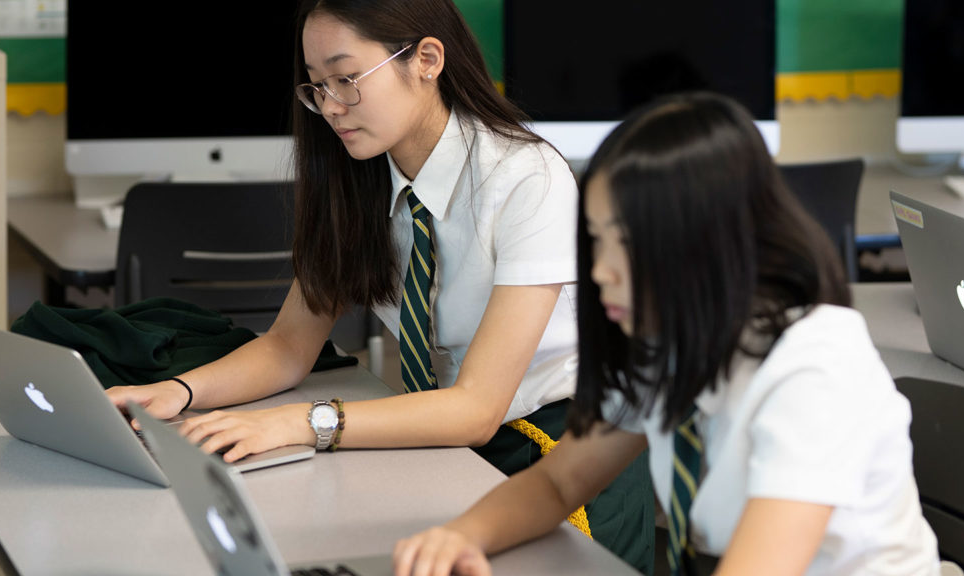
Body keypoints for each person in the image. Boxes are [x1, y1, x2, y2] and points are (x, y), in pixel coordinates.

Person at [105, 0, 653, 571]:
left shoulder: (524, 177)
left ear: (426, 60)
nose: (332, 107)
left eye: (347, 79)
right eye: (317, 86)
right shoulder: (360, 173)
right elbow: (288, 346)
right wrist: (176, 393)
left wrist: (298, 422)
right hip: (443, 445)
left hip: (559, 456)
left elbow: (476, 408)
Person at [393, 91, 941, 576]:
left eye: (627, 243)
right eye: (597, 240)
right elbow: (557, 484)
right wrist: (460, 537)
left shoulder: (815, 368)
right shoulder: (669, 347)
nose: (602, 271)